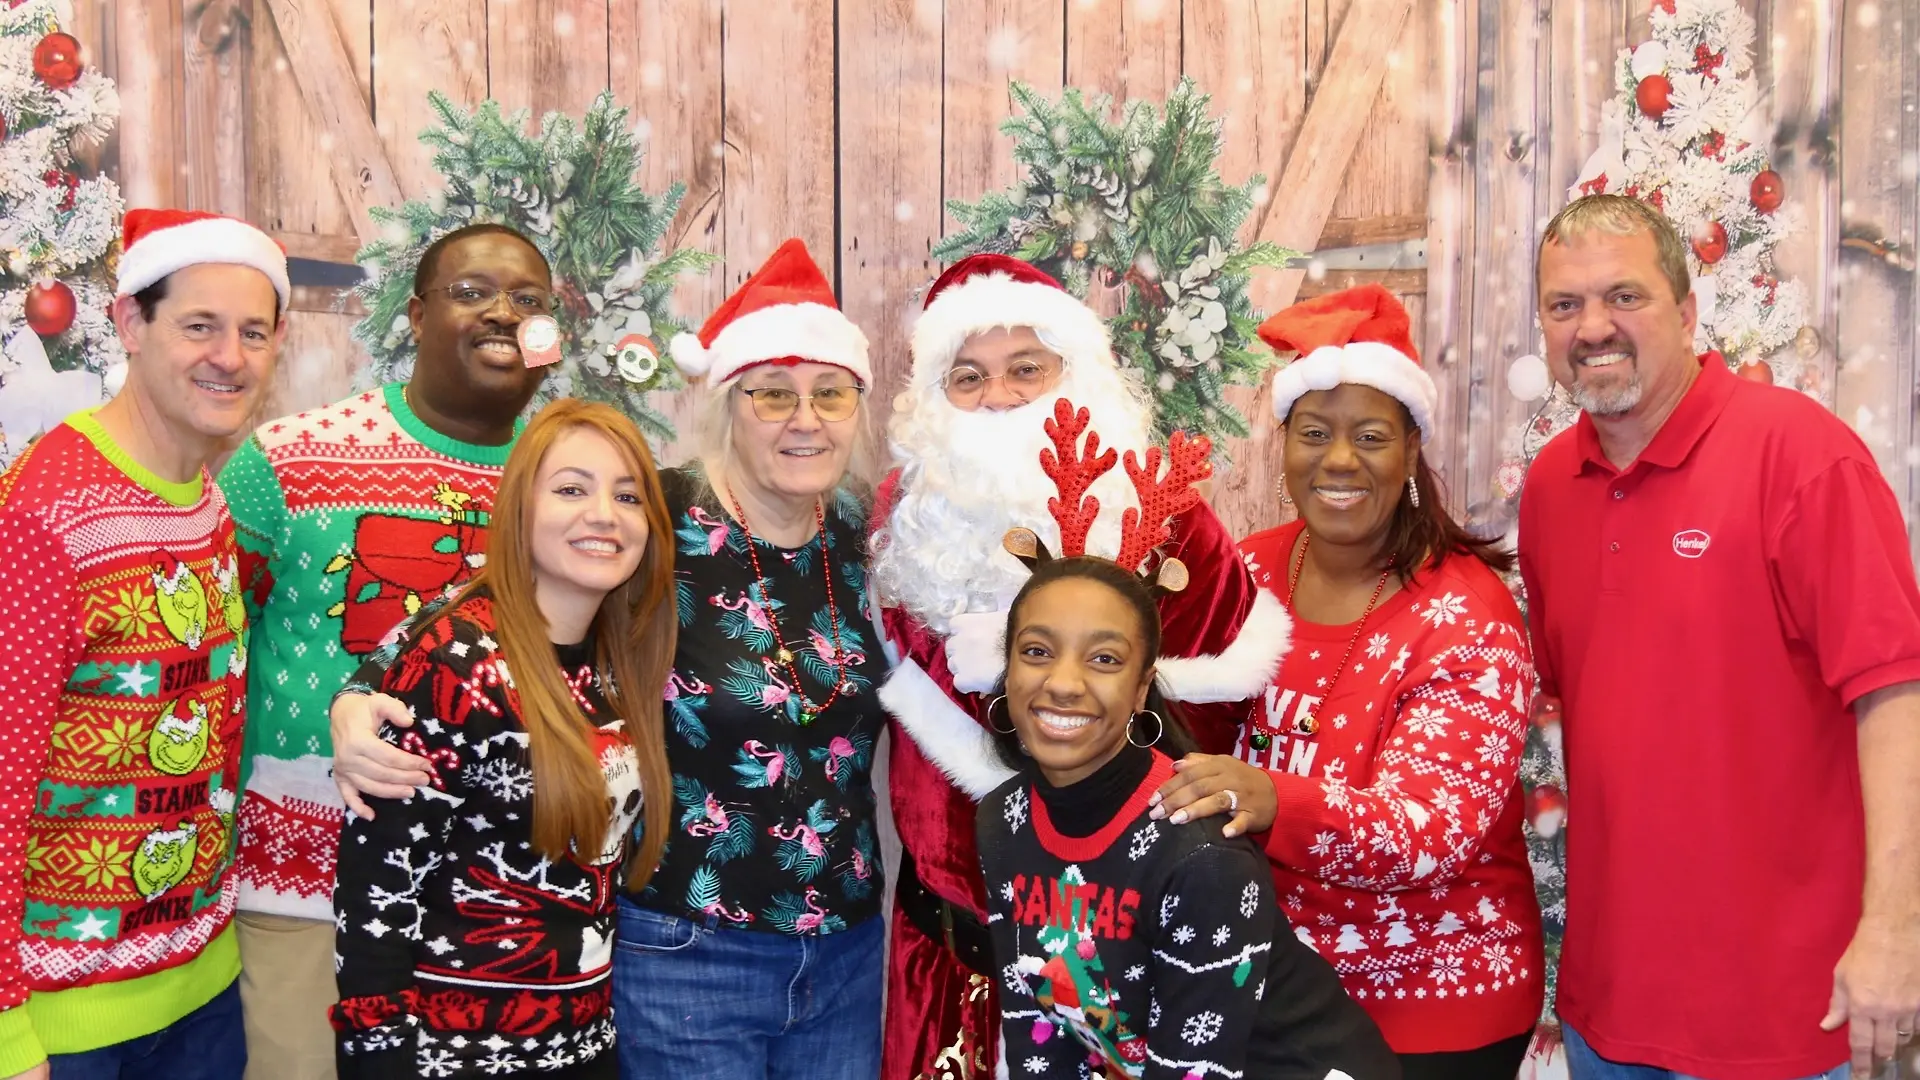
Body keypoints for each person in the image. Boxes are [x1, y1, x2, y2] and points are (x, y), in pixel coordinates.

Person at [331, 239, 891, 1079]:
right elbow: (493, 601)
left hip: (846, 951)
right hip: (688, 949)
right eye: (773, 393)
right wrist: (361, 694)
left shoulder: (864, 534)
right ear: (731, 403)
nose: (803, 419)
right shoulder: (653, 512)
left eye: (830, 394)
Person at [1520, 193, 1920, 1079]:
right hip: (1607, 1010)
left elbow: (1897, 696)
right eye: (1565, 305)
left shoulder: (1804, 458)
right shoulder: (1552, 486)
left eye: (1625, 296)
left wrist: (1898, 927)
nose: (1594, 327)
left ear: (1689, 311)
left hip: (1781, 1012)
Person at [869, 253, 1292, 1079]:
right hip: (942, 960)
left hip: (1116, 971)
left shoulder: (1163, 509)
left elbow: (1215, 720)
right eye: (968, 377)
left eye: (1026, 368)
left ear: (1076, 374)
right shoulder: (904, 520)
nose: (998, 397)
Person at [1150, 285, 1544, 1079]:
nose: (1338, 460)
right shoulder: (1250, 572)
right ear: (1285, 445)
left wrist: (1271, 798)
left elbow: (1426, 834)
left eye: (1369, 436)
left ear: (1408, 454)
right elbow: (1180, 729)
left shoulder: (1468, 613)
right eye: (1314, 433)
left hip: (1433, 1010)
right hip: (1277, 993)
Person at [218, 222, 554, 1080]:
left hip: (498, 913)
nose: (502, 315)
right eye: (472, 292)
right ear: (413, 316)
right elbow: (208, 654)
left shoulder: (567, 485)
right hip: (307, 895)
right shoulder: (291, 460)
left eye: (528, 301)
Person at [972, 423, 1398, 1080]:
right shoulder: (1003, 821)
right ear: (1008, 671)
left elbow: (1194, 1071)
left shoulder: (1202, 856)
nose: (1062, 682)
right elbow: (1036, 1027)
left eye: (1105, 659)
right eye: (1036, 652)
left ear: (1144, 689)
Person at [0, 209, 289, 1079]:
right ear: (130, 324)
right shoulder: (44, 515)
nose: (228, 357)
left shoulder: (202, 494)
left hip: (201, 991)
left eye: (252, 332)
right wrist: (10, 1034)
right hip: (70, 1025)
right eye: (198, 325)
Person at [328, 399, 674, 1078]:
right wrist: (375, 1057)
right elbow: (377, 895)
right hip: (451, 1057)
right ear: (519, 510)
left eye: (627, 495)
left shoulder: (618, 657)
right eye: (571, 488)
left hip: (583, 1046)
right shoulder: (458, 663)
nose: (603, 512)